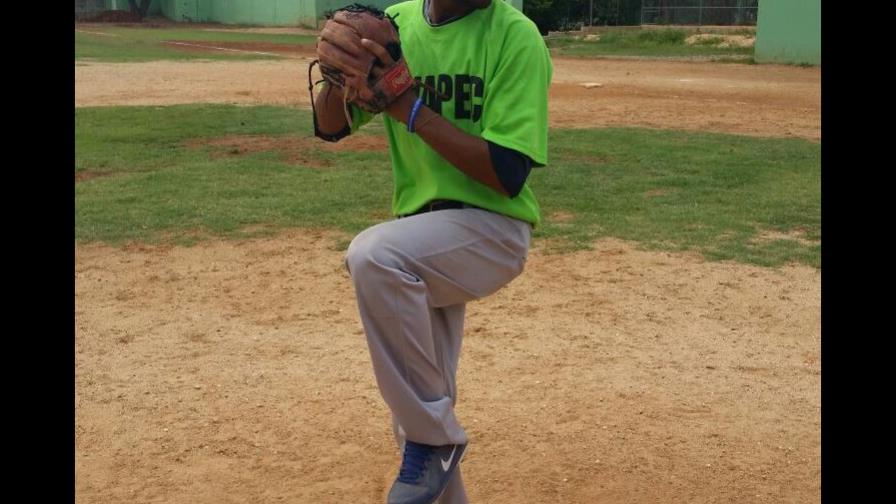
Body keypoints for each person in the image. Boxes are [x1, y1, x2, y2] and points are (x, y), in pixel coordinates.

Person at [312, 1, 551, 502]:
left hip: (492, 230)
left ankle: (435, 440)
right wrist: (338, 77)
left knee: (373, 255)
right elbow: (332, 127)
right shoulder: (391, 27)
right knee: (420, 407)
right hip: (422, 236)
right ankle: (433, 444)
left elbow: (507, 173)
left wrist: (407, 107)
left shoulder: (514, 36)